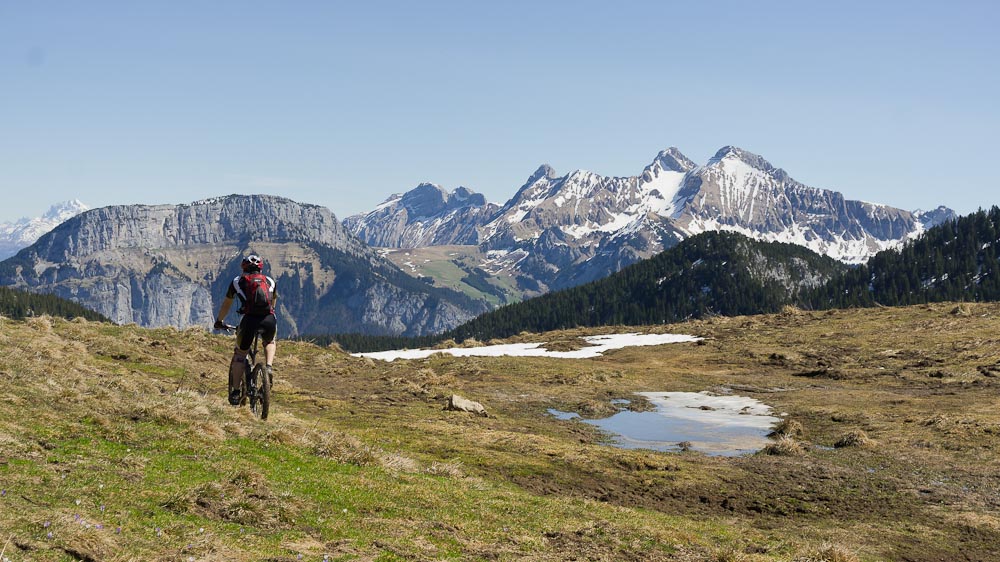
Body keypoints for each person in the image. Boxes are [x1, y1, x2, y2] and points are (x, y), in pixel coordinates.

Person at [213, 254, 278, 406]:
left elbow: (226, 304)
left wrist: (219, 321)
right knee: (269, 341)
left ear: (243, 267)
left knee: (240, 355)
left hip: (249, 321)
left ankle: (236, 391)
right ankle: (268, 367)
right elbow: (273, 303)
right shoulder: (270, 281)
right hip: (268, 320)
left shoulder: (237, 282)